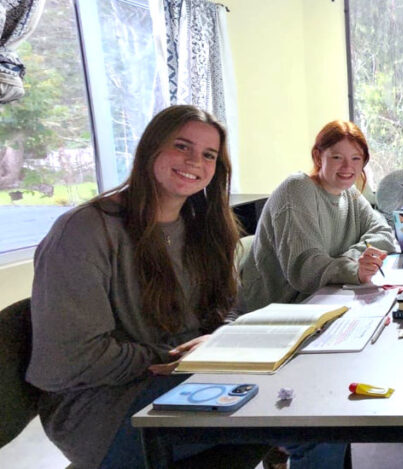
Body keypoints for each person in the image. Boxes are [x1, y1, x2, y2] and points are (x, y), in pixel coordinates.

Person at [26, 105, 264, 468]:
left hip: (183, 379)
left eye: (208, 155)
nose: (194, 161)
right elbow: (69, 359)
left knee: (294, 398)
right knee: (285, 412)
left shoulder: (203, 226)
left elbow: (229, 306)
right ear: (150, 148)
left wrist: (221, 337)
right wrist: (170, 358)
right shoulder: (83, 231)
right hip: (101, 410)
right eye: (181, 146)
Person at [239, 120, 397, 312]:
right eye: (337, 157)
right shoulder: (297, 188)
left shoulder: (350, 193)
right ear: (318, 156)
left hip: (321, 300)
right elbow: (307, 270)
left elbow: (384, 233)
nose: (348, 167)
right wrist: (354, 267)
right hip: (276, 309)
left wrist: (352, 259)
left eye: (356, 158)